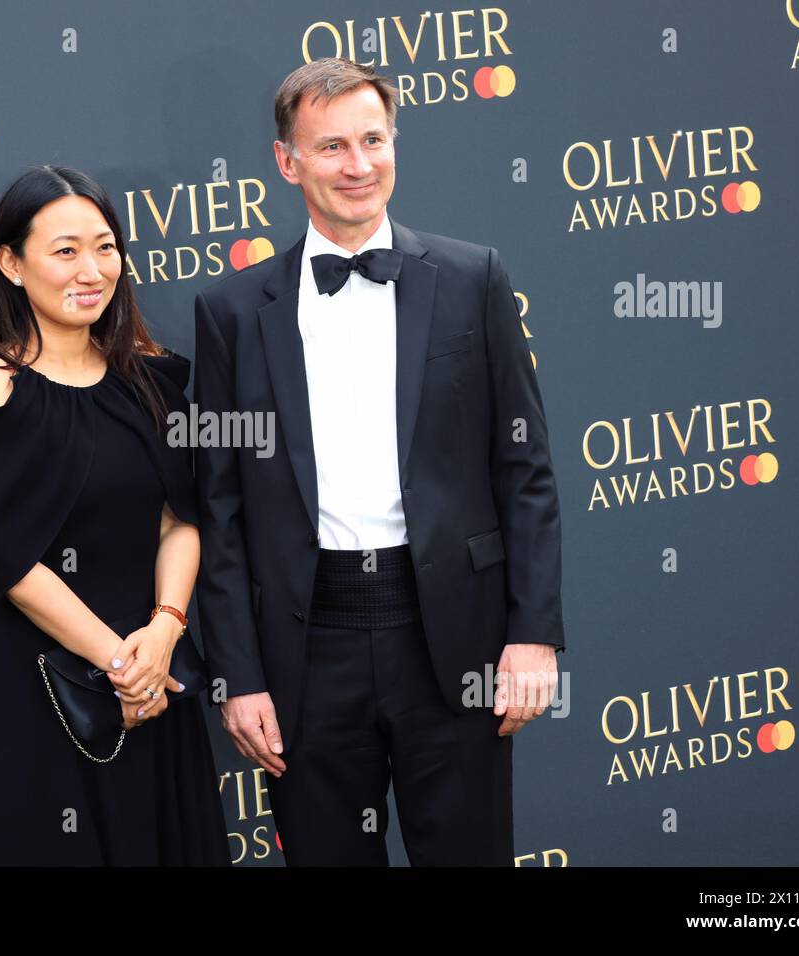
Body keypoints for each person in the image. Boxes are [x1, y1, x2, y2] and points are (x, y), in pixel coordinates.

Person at [192, 58, 565, 866]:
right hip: (305, 649)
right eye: (331, 148)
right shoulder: (230, 313)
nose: (359, 166)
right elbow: (218, 508)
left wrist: (533, 632)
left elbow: (524, 471)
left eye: (373, 140)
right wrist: (240, 675)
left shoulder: (475, 280)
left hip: (454, 641)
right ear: (287, 162)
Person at [0, 165, 230, 866]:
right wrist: (118, 665)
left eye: (105, 247)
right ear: (12, 263)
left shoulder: (148, 376)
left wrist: (164, 631)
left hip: (157, 673)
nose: (91, 269)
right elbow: (12, 562)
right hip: (50, 685)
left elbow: (180, 519)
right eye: (65, 250)